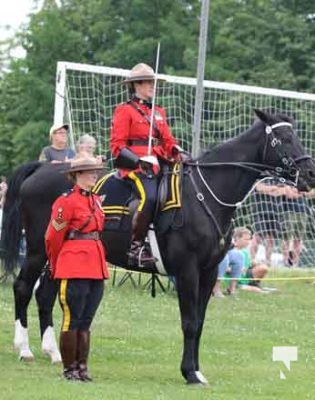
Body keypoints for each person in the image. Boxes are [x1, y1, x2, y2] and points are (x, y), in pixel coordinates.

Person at [110, 62, 189, 264]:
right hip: (135, 166)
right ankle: (135, 248)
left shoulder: (159, 112)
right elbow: (117, 146)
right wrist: (138, 160)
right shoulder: (124, 110)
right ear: (137, 85)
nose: (153, 86)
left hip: (159, 161)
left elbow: (168, 140)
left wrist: (177, 151)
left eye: (154, 83)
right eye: (149, 83)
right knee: (151, 197)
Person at [45, 154, 109, 382]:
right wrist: (55, 264)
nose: (95, 175)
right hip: (73, 265)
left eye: (95, 171)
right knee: (72, 318)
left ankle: (82, 368)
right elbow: (53, 237)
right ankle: (69, 369)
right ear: (77, 175)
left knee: (87, 319)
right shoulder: (65, 202)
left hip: (95, 265)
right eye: (91, 172)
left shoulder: (95, 201)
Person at [212, 227, 251, 297]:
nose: (248, 241)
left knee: (239, 255)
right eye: (246, 239)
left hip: (225, 249)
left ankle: (231, 289)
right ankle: (215, 289)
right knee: (224, 257)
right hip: (214, 250)